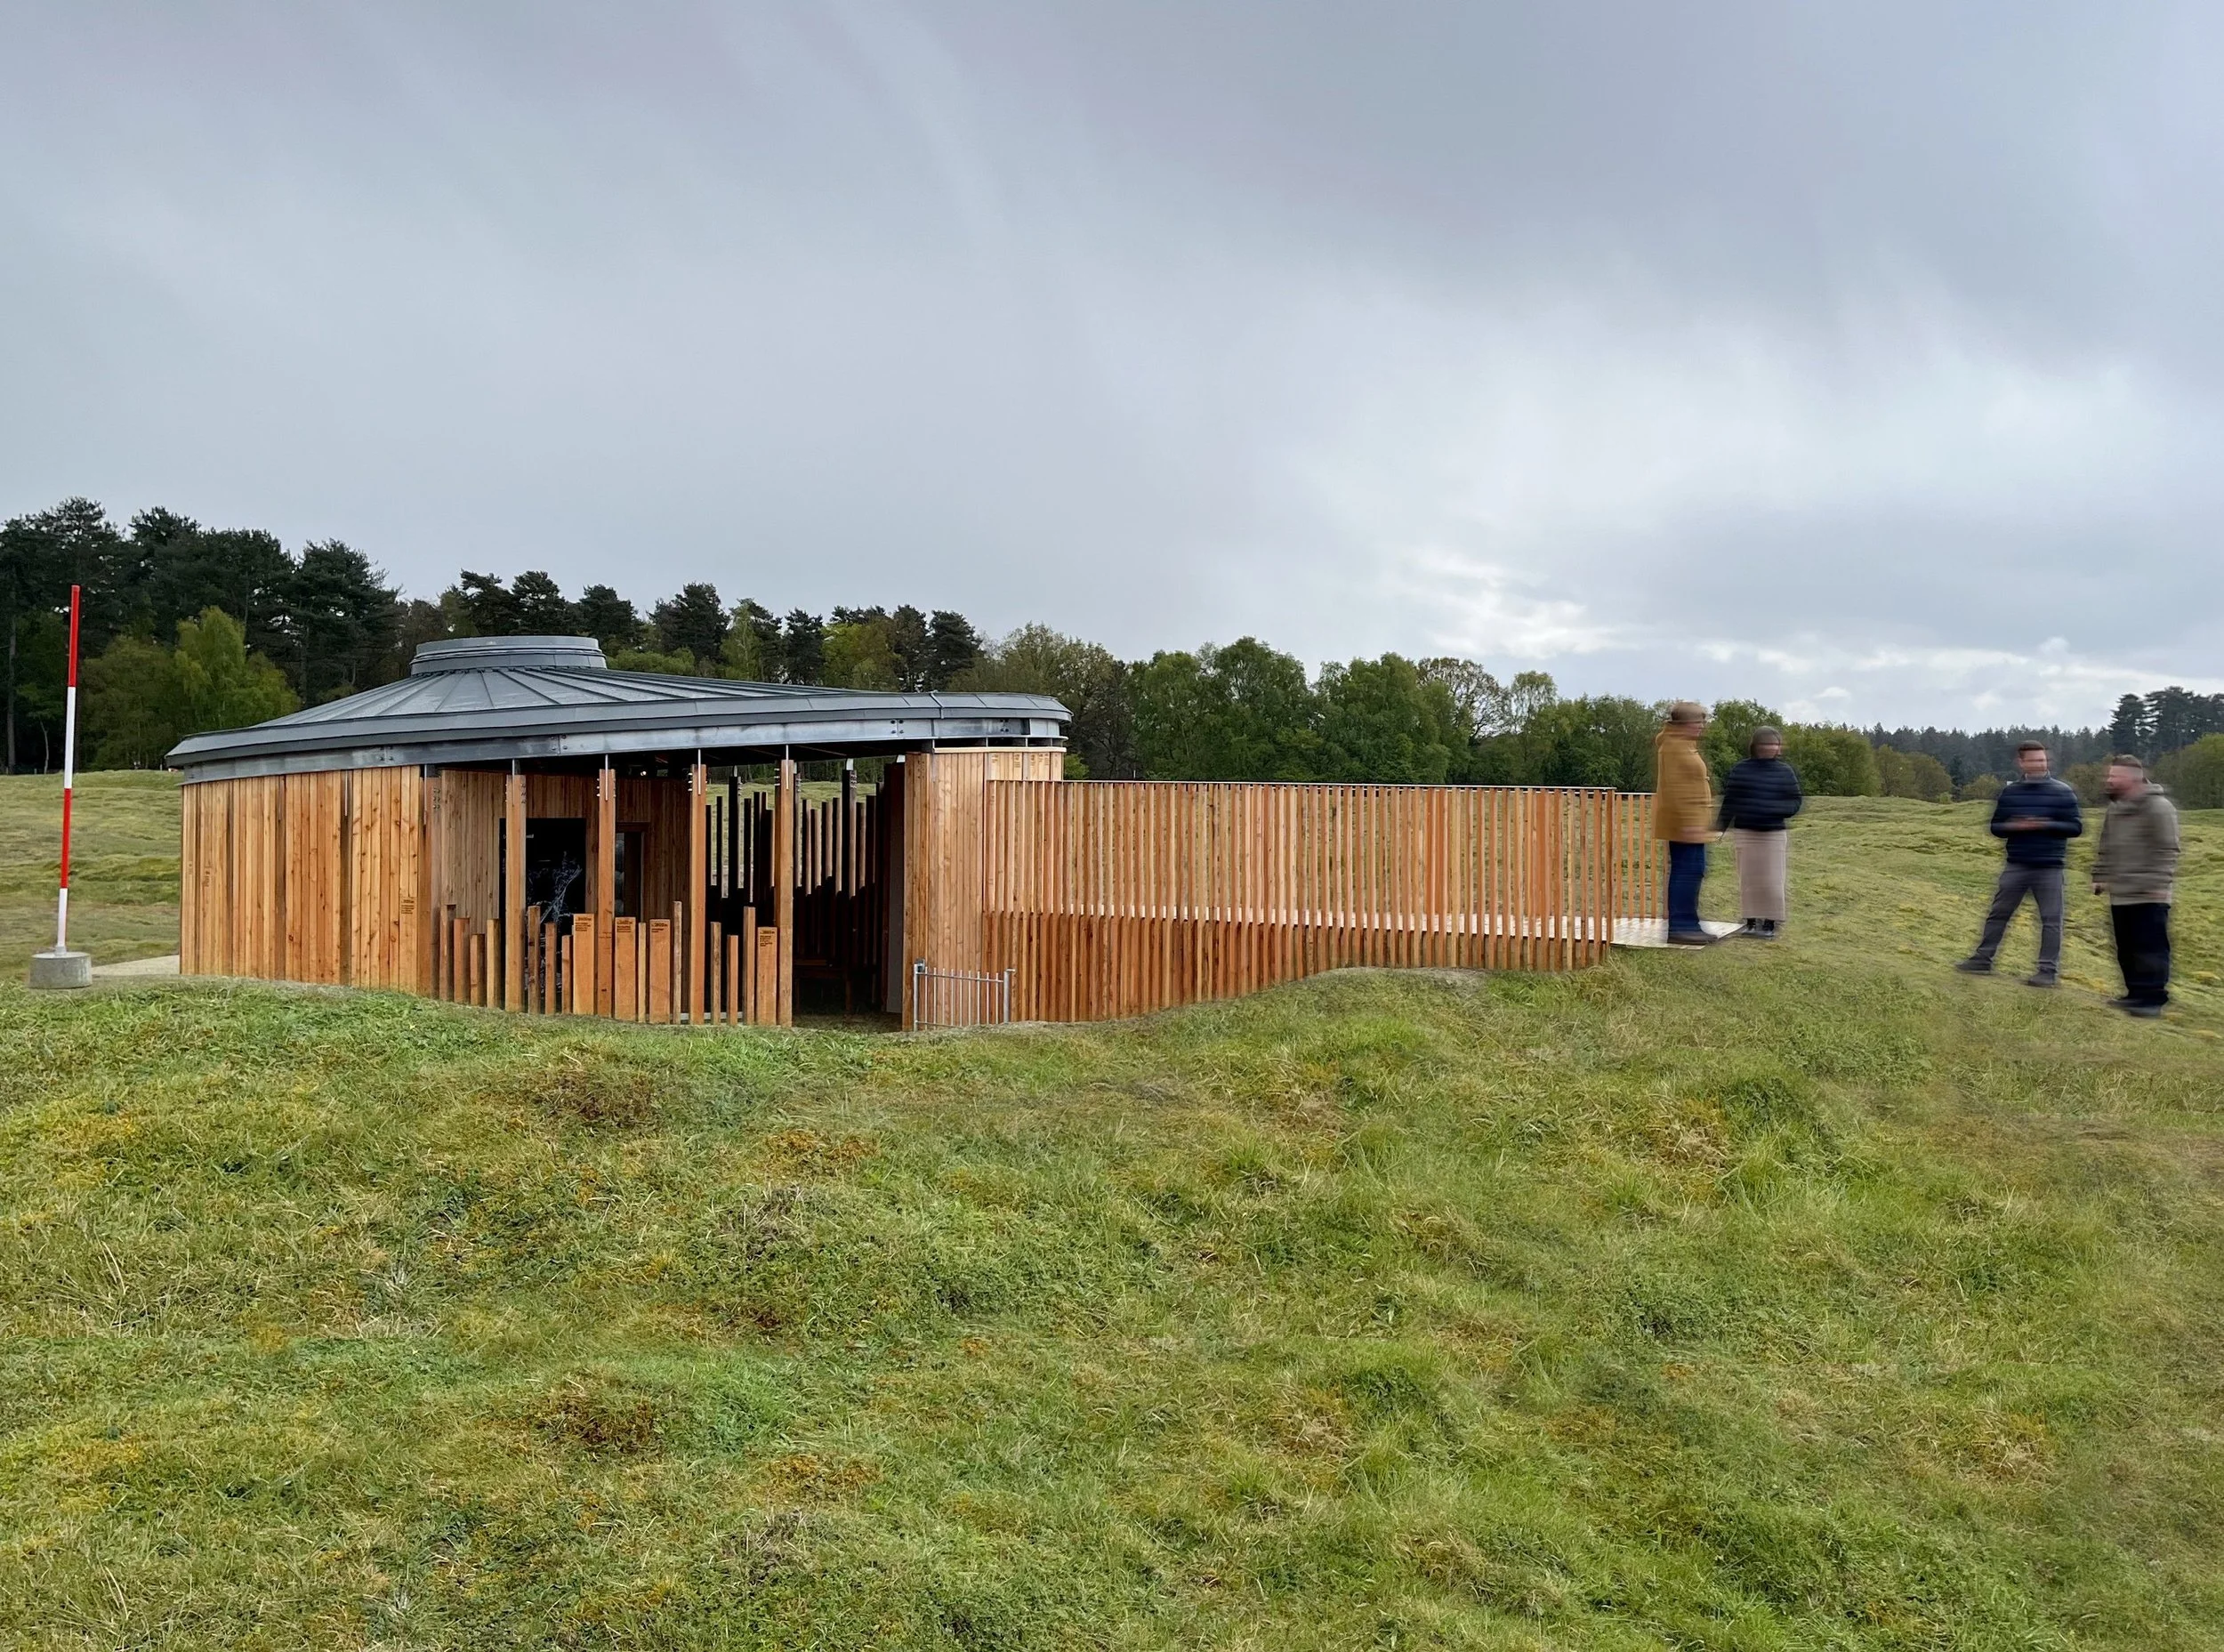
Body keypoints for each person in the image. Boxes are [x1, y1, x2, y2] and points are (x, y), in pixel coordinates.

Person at [1954, 740, 2083, 986]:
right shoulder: (2010, 792)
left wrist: (2044, 824)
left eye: (2043, 760)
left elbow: (2075, 827)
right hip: (2017, 864)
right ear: (2021, 763)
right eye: (2034, 760)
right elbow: (1996, 827)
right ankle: (1983, 960)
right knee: (1998, 914)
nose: (2040, 764)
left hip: (2050, 867)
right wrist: (2014, 826)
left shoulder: (2063, 792)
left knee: (2051, 921)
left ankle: (2047, 972)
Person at [2092, 753, 2180, 1018]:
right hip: (2121, 894)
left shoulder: (2159, 807)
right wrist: (2099, 874)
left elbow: (2168, 849)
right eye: (2109, 776)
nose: (2109, 781)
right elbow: (2106, 846)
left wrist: (2159, 883)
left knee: (2150, 948)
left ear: (2133, 778)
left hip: (2150, 893)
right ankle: (2134, 995)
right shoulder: (2116, 808)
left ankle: (2152, 1000)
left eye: (2114, 777)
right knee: (2127, 947)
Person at [1718, 725, 1802, 938]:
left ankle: (1770, 923)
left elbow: (1795, 801)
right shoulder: (1741, 769)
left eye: (1774, 743)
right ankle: (1750, 921)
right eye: (1765, 743)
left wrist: (1775, 811)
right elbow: (1730, 801)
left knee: (1773, 880)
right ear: (1755, 746)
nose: (1770, 748)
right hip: (1746, 832)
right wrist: (1719, 827)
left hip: (1773, 834)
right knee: (1749, 880)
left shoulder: (1785, 772)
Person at [1653, 701, 1715, 945]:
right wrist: (1689, 824)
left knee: (1692, 872)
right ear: (1683, 724)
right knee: (1687, 873)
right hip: (1685, 825)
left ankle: (1690, 924)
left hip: (1691, 824)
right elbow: (1678, 789)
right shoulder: (1674, 747)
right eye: (1698, 722)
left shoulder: (1683, 745)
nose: (1702, 726)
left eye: (1703, 721)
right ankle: (1681, 927)